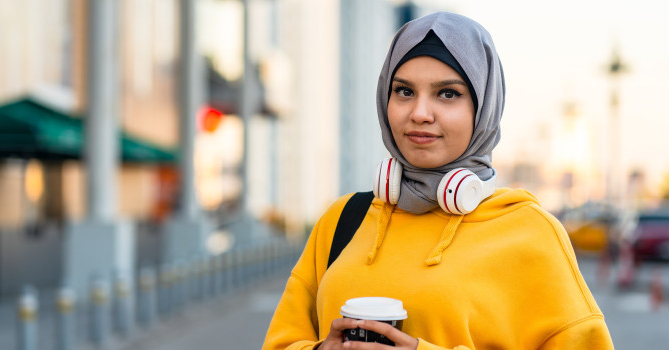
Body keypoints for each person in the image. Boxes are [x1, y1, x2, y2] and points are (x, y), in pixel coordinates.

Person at [262, 11, 614, 350]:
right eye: (404, 91)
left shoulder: (531, 233)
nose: (419, 113)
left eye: (447, 93)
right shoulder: (342, 220)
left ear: (483, 109)